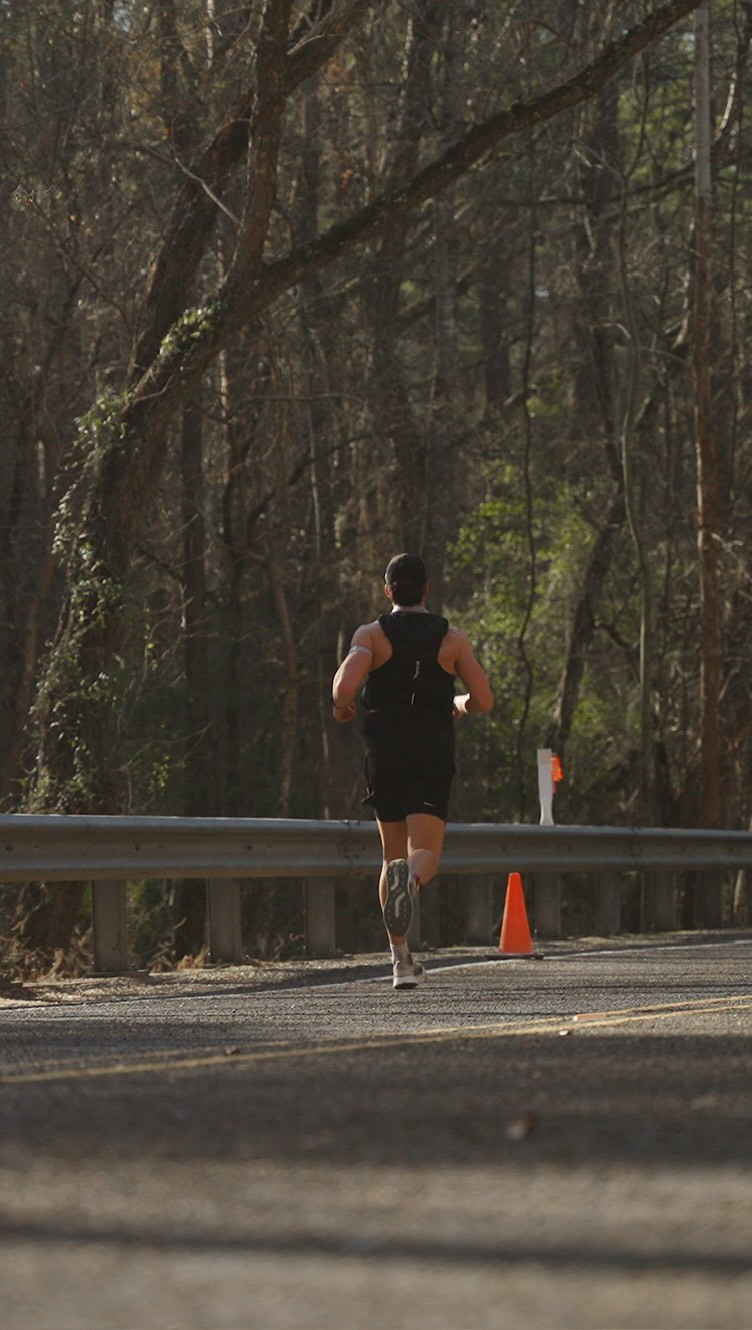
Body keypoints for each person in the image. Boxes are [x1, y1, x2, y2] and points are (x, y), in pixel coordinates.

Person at [331, 553, 494, 989]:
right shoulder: (451, 640)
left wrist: (343, 705)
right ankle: (414, 878)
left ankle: (401, 962)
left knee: (390, 856)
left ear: (388, 591)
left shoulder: (371, 635)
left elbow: (344, 687)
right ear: (426, 589)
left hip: (383, 753)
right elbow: (483, 700)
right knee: (426, 855)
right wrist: (458, 703)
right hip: (431, 752)